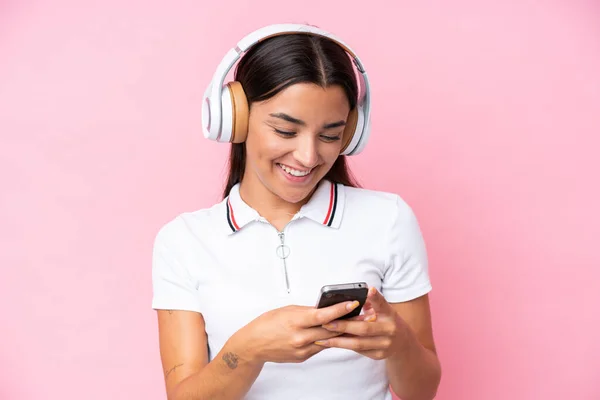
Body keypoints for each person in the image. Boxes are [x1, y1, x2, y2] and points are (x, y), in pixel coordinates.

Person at [151, 23, 442, 400]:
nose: (307, 157)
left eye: (329, 135)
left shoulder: (388, 219)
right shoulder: (184, 241)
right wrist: (249, 349)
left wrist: (399, 341)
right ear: (235, 118)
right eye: (286, 131)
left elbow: (422, 391)